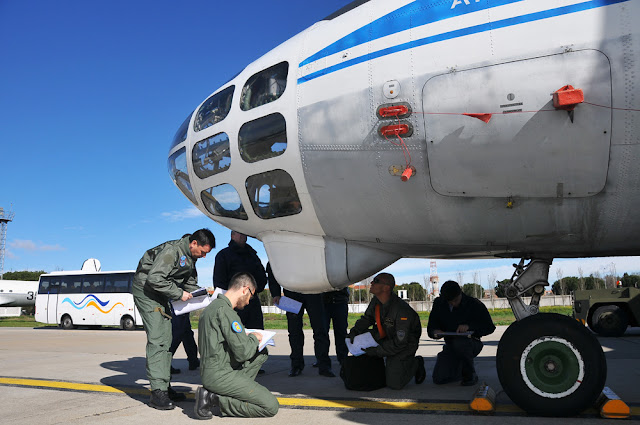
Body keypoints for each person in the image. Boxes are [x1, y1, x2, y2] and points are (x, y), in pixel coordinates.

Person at [132, 229, 214, 410]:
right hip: (146, 292)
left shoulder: (191, 258)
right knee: (158, 339)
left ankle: (164, 386)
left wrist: (205, 294)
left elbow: (190, 284)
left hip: (161, 294)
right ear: (194, 243)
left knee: (167, 338)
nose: (204, 256)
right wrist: (179, 293)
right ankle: (157, 393)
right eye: (203, 252)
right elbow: (154, 279)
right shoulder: (173, 251)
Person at [194, 272, 279, 419]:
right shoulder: (227, 312)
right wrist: (253, 337)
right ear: (245, 289)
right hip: (221, 374)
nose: (248, 302)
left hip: (213, 369)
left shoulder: (212, 308)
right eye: (250, 297)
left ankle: (225, 393)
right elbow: (243, 353)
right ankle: (215, 399)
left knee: (261, 353)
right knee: (270, 406)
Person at [347, 273, 426, 389]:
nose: (372, 283)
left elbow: (400, 343)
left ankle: (416, 363)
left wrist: (377, 351)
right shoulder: (376, 301)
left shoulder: (401, 311)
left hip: (405, 344)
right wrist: (355, 331)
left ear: (386, 287)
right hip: (385, 336)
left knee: (394, 384)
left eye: (376, 281)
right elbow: (367, 318)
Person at [267, 263, 335, 377]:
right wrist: (276, 293)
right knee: (294, 331)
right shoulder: (282, 248)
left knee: (320, 329)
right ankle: (296, 365)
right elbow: (273, 266)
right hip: (291, 293)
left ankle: (324, 365)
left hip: (313, 292)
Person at [427, 280, 496, 386]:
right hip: (450, 346)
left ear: (460, 294)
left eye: (455, 300)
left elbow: (489, 327)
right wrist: (435, 332)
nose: (453, 304)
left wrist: (469, 327)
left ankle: (470, 374)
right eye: (450, 302)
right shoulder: (439, 304)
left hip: (471, 343)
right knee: (439, 378)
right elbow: (431, 327)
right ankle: (459, 367)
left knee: (460, 343)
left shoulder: (473, 304)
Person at [213, 231, 267, 329]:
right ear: (232, 236)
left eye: (244, 233)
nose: (243, 235)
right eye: (239, 233)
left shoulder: (253, 255)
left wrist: (252, 292)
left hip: (252, 302)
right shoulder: (223, 255)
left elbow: (262, 277)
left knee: (257, 335)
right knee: (233, 336)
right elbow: (219, 283)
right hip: (233, 305)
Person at [322, 288, 349, 366]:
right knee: (322, 332)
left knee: (341, 331)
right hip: (324, 301)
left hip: (339, 300)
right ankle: (322, 359)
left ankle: (343, 358)